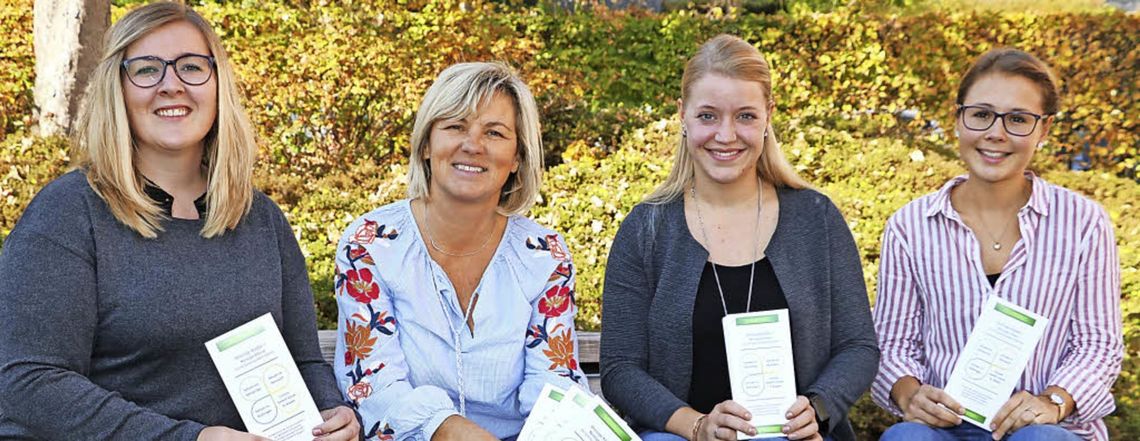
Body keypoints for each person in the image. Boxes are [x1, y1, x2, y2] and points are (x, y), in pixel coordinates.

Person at [0, 3, 359, 440]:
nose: (172, 85)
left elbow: (303, 361)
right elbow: (28, 381)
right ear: (119, 88)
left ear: (217, 84)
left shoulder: (261, 219)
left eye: (191, 67)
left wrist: (333, 412)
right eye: (148, 70)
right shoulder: (69, 215)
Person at [599, 34, 879, 441]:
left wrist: (816, 409)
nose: (726, 135)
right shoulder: (646, 230)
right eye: (708, 116)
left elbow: (858, 346)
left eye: (745, 116)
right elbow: (621, 369)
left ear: (768, 115)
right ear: (682, 116)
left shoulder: (816, 219)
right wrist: (696, 426)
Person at [872, 48, 1122, 441]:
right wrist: (910, 395)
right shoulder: (909, 226)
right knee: (907, 438)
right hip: (944, 428)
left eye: (1018, 119)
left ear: (1044, 130)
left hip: (1047, 428)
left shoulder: (1084, 223)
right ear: (958, 119)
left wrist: (1052, 402)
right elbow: (893, 343)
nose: (996, 133)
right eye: (982, 114)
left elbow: (1098, 345)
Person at [333, 61, 588, 441]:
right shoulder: (371, 244)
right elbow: (375, 384)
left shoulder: (543, 254)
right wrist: (450, 430)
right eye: (455, 126)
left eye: (495, 132)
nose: (473, 145)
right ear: (426, 144)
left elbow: (554, 381)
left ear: (517, 157)